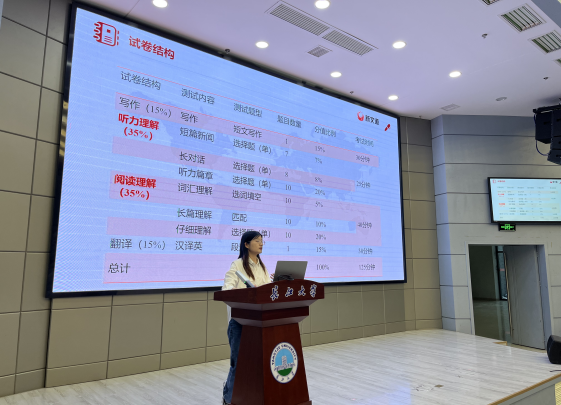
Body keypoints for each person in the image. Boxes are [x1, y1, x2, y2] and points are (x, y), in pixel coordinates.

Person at [222, 231, 272, 405]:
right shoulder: (237, 265)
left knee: (257, 364)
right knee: (238, 364)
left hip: (259, 322)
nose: (261, 243)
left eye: (262, 241)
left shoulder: (262, 266)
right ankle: (228, 399)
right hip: (240, 322)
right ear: (246, 244)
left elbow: (267, 292)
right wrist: (248, 292)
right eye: (257, 241)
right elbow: (226, 291)